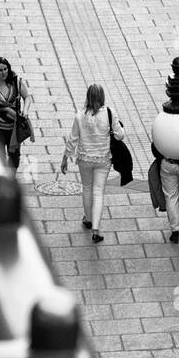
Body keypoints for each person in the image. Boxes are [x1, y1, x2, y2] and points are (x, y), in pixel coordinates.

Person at [61, 84, 125, 244]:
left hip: (84, 159)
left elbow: (73, 139)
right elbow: (120, 136)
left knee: (87, 188)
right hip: (103, 159)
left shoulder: (80, 115)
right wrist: (120, 128)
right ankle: (96, 230)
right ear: (102, 96)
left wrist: (65, 158)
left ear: (88, 96)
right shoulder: (109, 113)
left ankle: (88, 219)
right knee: (98, 192)